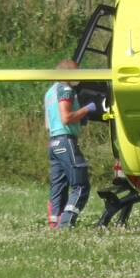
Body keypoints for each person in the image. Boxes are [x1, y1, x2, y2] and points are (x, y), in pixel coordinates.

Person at [45, 59, 99, 229]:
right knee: (81, 185)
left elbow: (49, 123)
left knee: (58, 186)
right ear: (68, 73)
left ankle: (54, 223)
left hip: (53, 142)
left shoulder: (50, 92)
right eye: (77, 72)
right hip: (66, 141)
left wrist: (79, 119)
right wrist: (87, 109)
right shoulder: (66, 90)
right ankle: (66, 223)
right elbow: (66, 118)